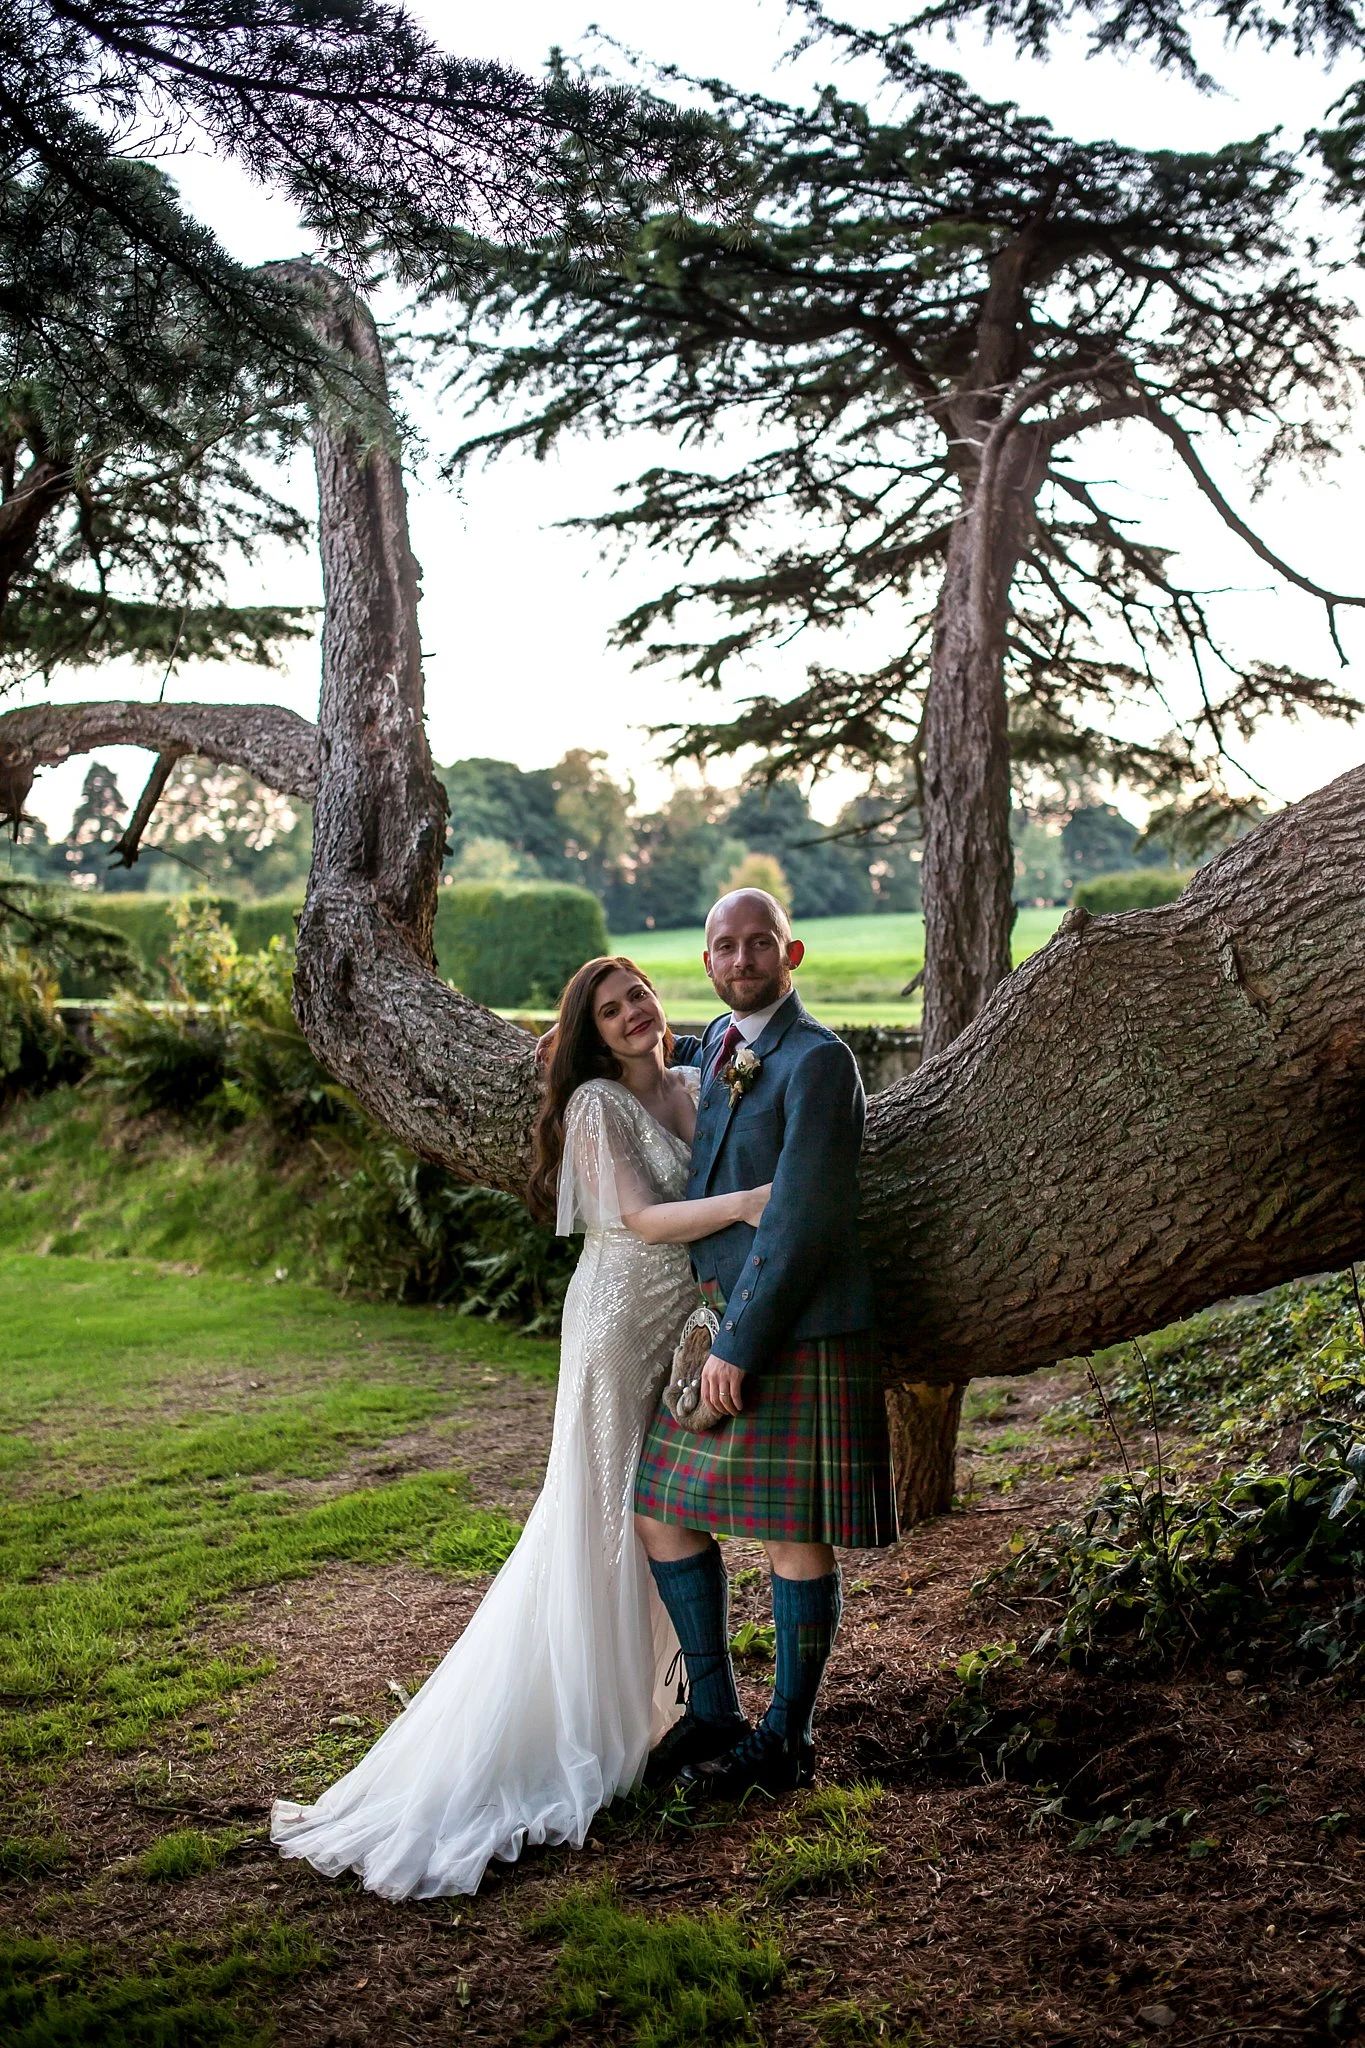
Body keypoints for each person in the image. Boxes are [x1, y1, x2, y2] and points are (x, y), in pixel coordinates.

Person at [270, 955, 771, 1899]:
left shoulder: (706, 1079)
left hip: (686, 1318)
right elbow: (636, 1215)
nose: (632, 1015)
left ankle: (685, 1707)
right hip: (620, 1323)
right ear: (590, 1030)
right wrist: (748, 1205)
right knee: (608, 1508)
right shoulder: (593, 1107)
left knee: (665, 1507)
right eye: (611, 1009)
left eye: (640, 998)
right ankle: (598, 1717)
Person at [635, 887, 897, 1800]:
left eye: (758, 945)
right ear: (705, 962)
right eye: (724, 946)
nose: (741, 959)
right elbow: (644, 1072)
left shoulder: (816, 1061)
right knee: (659, 1505)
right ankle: (714, 1709)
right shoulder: (714, 1044)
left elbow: (803, 1220)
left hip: (797, 1322)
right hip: (722, 1316)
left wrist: (738, 1347)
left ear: (790, 957)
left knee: (793, 1532)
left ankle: (786, 1737)